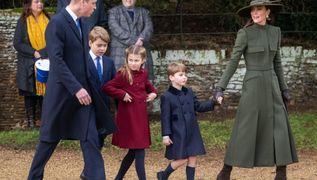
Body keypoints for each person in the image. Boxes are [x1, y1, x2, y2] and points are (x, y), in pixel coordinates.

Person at [27, 0, 116, 179]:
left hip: (83, 98)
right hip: (62, 96)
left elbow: (82, 59)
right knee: (48, 141)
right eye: (92, 3)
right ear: (81, 2)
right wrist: (76, 89)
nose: (95, 7)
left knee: (91, 139)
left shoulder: (81, 23)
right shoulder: (57, 23)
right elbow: (57, 61)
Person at [214, 1, 298, 180]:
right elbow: (234, 61)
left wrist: (284, 89)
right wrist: (220, 88)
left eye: (259, 9)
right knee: (244, 128)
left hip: (273, 86)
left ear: (268, 12)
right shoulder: (244, 34)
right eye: (253, 9)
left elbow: (277, 63)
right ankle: (225, 171)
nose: (255, 12)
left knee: (280, 127)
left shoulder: (276, 32)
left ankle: (281, 173)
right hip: (252, 86)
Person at [102, 45, 157, 180]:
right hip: (129, 117)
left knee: (134, 151)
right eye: (130, 60)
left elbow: (149, 87)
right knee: (139, 150)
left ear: (143, 60)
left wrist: (154, 93)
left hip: (141, 117)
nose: (133, 63)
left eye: (136, 60)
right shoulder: (123, 74)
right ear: (127, 59)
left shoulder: (144, 73)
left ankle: (118, 178)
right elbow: (107, 87)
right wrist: (122, 94)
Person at [157, 62, 217, 180]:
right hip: (178, 132)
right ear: (171, 77)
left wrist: (213, 102)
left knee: (193, 157)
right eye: (180, 75)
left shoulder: (189, 91)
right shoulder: (166, 96)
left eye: (185, 74)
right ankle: (163, 175)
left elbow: (198, 106)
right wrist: (165, 135)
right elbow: (165, 117)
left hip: (192, 129)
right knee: (182, 158)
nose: (184, 77)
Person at [13, 0, 50, 129]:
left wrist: (43, 53)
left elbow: (54, 39)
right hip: (28, 62)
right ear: (29, 4)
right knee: (30, 93)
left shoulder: (49, 20)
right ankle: (31, 122)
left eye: (41, 2)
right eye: (36, 1)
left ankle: (45, 121)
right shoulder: (22, 21)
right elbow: (17, 43)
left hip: (46, 61)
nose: (40, 4)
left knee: (45, 92)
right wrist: (33, 53)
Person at [108, 0, 154, 80]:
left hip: (141, 53)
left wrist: (141, 40)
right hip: (120, 55)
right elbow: (117, 31)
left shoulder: (144, 12)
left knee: (143, 84)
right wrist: (136, 41)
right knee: (121, 83)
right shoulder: (113, 12)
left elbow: (149, 29)